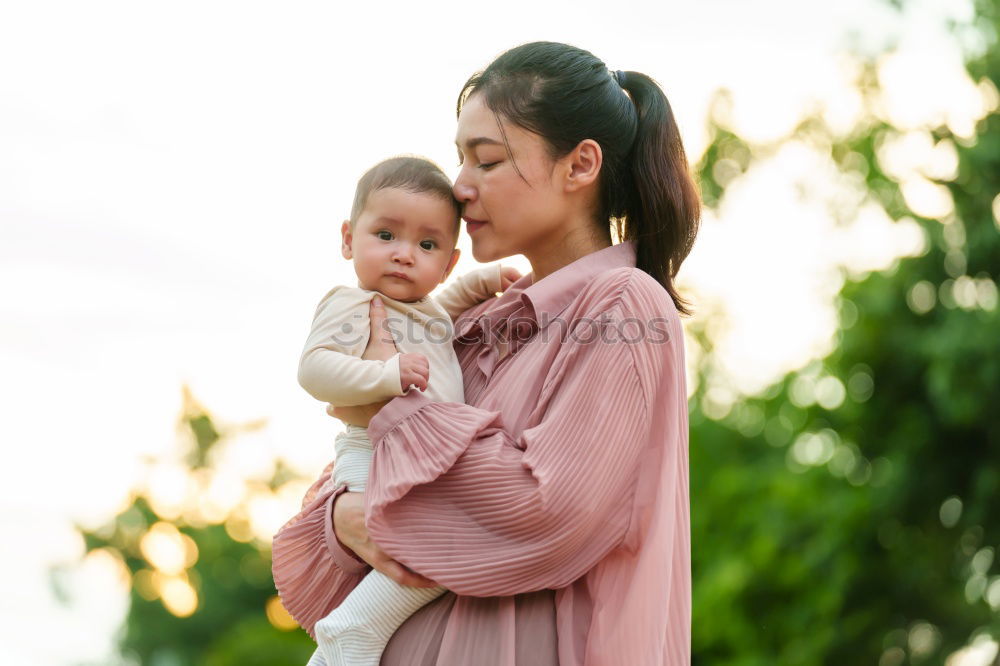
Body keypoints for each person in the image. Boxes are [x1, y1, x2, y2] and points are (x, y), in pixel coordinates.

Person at [272, 41, 700, 665]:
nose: (459, 189)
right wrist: (346, 517)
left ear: (580, 166)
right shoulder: (470, 322)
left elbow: (543, 512)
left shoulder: (623, 307)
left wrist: (393, 419)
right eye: (459, 161)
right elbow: (324, 519)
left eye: (487, 161)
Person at [293, 155, 519, 665]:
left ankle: (349, 638)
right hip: (371, 456)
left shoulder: (426, 307)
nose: (403, 255)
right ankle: (355, 627)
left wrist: (482, 285)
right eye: (386, 235)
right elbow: (313, 369)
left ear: (447, 264)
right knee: (440, 550)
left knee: (436, 550)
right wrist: (385, 376)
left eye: (426, 245)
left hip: (414, 459)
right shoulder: (351, 303)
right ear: (349, 238)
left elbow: (444, 313)